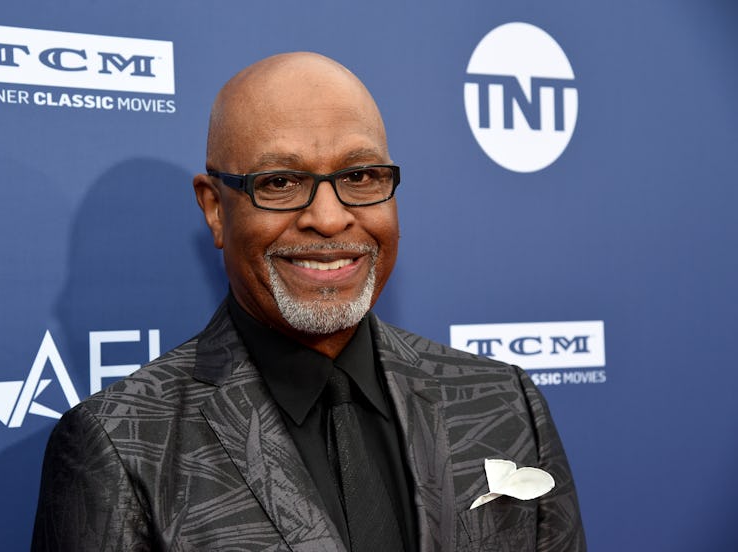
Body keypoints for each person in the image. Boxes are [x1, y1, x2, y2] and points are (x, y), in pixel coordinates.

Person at [32, 52, 586, 551]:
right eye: (279, 182)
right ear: (216, 209)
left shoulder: (503, 402)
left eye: (361, 175)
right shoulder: (123, 446)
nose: (328, 217)